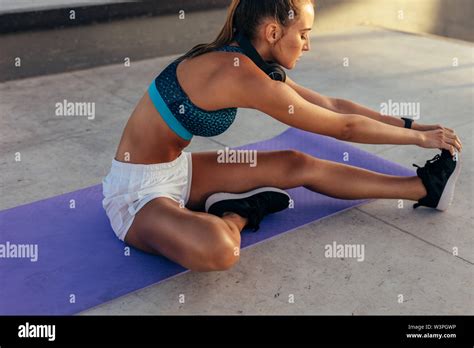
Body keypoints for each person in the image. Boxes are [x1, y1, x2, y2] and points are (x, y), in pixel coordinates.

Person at [102, 0, 463, 272]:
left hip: (179, 172)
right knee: (221, 249)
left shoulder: (249, 60)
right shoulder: (236, 73)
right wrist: (420, 142)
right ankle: (238, 212)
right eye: (304, 35)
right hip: (137, 192)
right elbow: (344, 127)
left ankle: (423, 188)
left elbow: (330, 104)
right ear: (273, 33)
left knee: (296, 163)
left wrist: (412, 126)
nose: (308, 46)